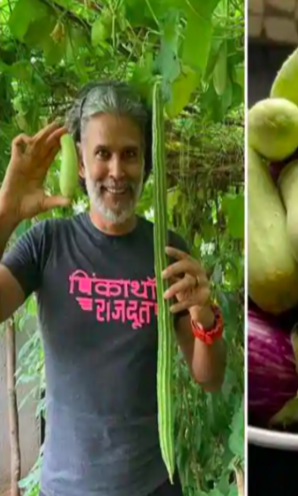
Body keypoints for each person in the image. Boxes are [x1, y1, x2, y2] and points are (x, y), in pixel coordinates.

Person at [0, 81, 227, 496]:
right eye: (103, 154)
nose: (117, 172)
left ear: (145, 163)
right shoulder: (46, 245)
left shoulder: (168, 249)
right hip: (68, 488)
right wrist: (6, 213)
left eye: (130, 154)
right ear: (83, 164)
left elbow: (209, 377)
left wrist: (203, 314)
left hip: (152, 485)